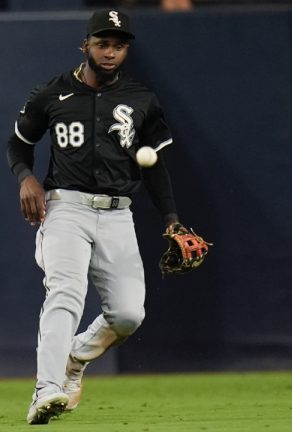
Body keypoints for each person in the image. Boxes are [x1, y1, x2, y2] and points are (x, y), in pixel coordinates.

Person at [7, 9, 185, 424]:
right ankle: (46, 389)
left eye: (119, 46)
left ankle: (74, 357)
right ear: (85, 45)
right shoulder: (50, 94)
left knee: (128, 314)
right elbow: (18, 144)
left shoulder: (142, 99)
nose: (110, 52)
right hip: (65, 207)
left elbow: (154, 165)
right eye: (103, 44)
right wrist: (25, 178)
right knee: (65, 293)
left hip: (118, 214)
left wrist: (171, 218)